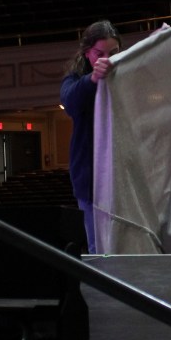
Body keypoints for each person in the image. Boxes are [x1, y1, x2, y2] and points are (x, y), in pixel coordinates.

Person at [60, 20, 121, 253]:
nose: (106, 59)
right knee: (98, 245)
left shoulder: (125, 74)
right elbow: (70, 102)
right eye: (99, 53)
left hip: (121, 172)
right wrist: (93, 79)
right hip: (90, 177)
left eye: (113, 53)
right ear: (87, 53)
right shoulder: (74, 80)